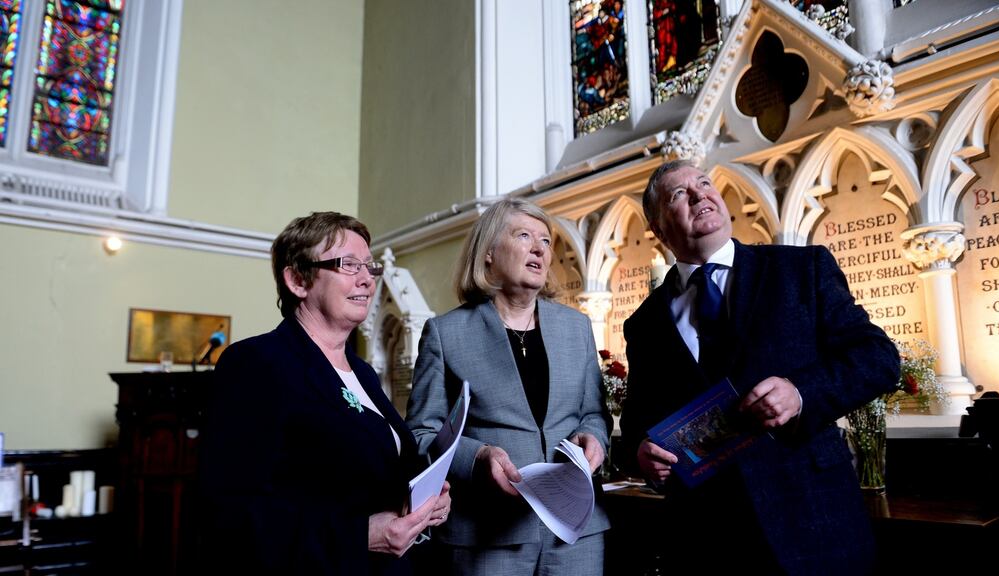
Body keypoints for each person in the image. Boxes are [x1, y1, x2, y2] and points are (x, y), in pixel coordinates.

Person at [619, 160, 900, 575]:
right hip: (707, 533)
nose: (700, 195)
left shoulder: (801, 269)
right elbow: (637, 422)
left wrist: (801, 393)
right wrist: (641, 453)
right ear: (658, 230)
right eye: (679, 194)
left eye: (704, 184)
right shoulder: (644, 322)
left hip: (811, 514)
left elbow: (879, 358)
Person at [201, 212, 451, 575]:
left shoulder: (361, 371)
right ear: (298, 279)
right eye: (348, 265)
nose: (367, 278)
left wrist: (425, 500)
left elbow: (377, 473)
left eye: (369, 266)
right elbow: (230, 514)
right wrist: (358, 536)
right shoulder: (257, 364)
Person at [406, 198, 611, 576]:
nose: (539, 248)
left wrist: (594, 437)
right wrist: (477, 456)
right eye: (524, 236)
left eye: (546, 241)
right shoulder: (446, 333)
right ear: (488, 253)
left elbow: (593, 414)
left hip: (576, 535)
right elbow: (421, 433)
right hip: (486, 535)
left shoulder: (576, 328)